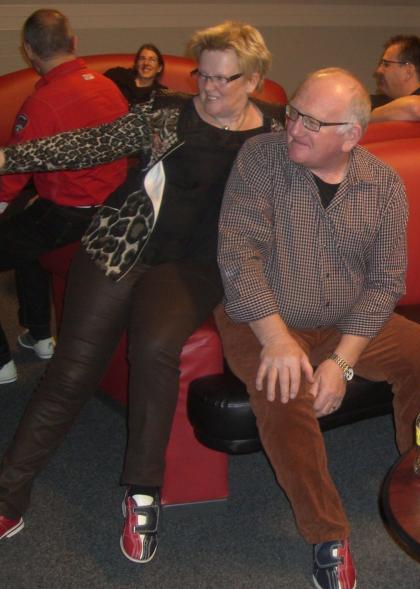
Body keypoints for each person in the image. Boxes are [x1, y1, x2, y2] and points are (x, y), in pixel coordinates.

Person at [0, 21, 283, 565]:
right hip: (121, 245)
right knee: (72, 370)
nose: (209, 89)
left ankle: (142, 493)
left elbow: (332, 132)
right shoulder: (166, 113)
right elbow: (92, 142)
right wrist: (8, 159)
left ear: (254, 80)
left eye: (224, 79)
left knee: (155, 351)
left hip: (194, 265)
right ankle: (9, 494)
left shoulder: (274, 132)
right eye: (203, 76)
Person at [215, 67, 420, 589]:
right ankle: (327, 534)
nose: (294, 128)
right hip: (264, 315)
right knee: (283, 386)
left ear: (351, 136)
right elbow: (238, 256)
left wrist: (342, 362)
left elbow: (386, 283)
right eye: (294, 113)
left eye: (313, 123)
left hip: (347, 319)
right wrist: (277, 339)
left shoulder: (383, 185)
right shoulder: (259, 159)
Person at [0, 9, 129, 384]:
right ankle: (40, 335)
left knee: (23, 224)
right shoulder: (108, 87)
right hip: (113, 209)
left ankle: (2, 363)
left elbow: (12, 174)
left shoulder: (42, 104)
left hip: (69, 217)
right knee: (24, 229)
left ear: (28, 50)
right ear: (74, 42)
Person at [371, 34, 420, 122]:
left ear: (408, 71)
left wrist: (368, 117)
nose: (378, 70)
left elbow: (417, 108)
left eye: (386, 64)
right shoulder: (400, 110)